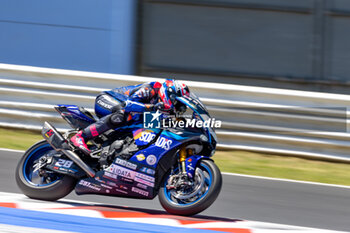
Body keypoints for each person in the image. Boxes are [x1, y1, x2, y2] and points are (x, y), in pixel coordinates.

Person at [70, 79, 190, 155]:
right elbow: (129, 105)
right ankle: (80, 137)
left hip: (123, 109)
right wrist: (152, 108)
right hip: (107, 100)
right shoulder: (151, 89)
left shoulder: (162, 107)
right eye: (177, 104)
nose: (177, 108)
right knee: (124, 115)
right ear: (170, 95)